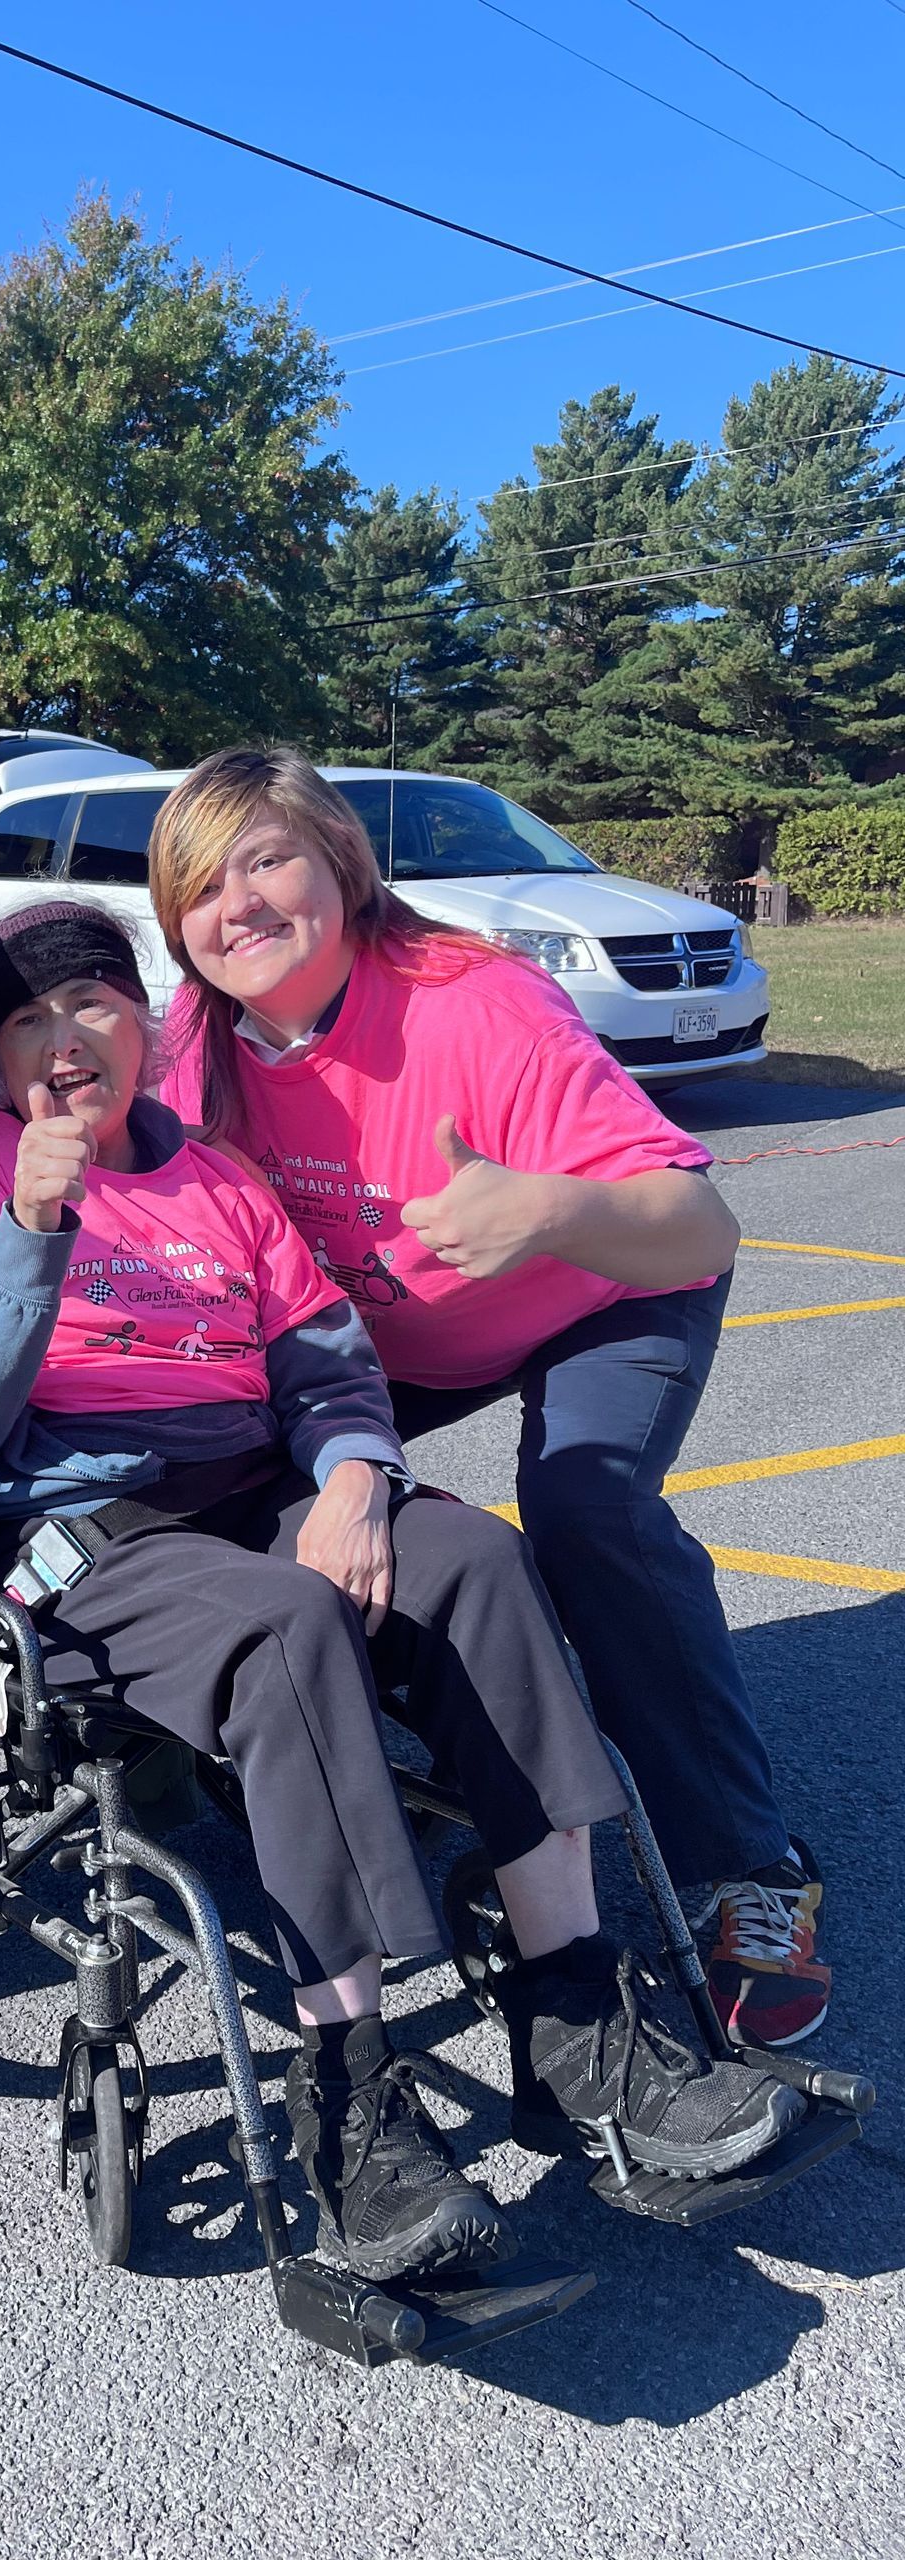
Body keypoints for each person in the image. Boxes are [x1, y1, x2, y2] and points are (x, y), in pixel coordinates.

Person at [0, 900, 802, 2285]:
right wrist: (33, 1226)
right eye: (25, 1025)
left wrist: (360, 1471)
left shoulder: (220, 1182)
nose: (66, 1043)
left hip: (261, 1484)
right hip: (79, 1525)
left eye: (94, 1008)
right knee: (290, 1622)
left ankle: (574, 2021)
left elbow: (322, 1360)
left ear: (145, 1022)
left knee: (477, 1555)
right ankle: (351, 2094)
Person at [149, 744, 828, 2050]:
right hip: (388, 1341)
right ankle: (371, 1744)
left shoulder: (479, 1006)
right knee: (246, 1475)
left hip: (601, 1294)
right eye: (199, 885)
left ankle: (750, 1867)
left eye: (267, 860)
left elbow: (697, 1225)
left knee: (584, 1508)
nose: (236, 905)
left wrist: (549, 1208)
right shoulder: (204, 1049)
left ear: (345, 868)